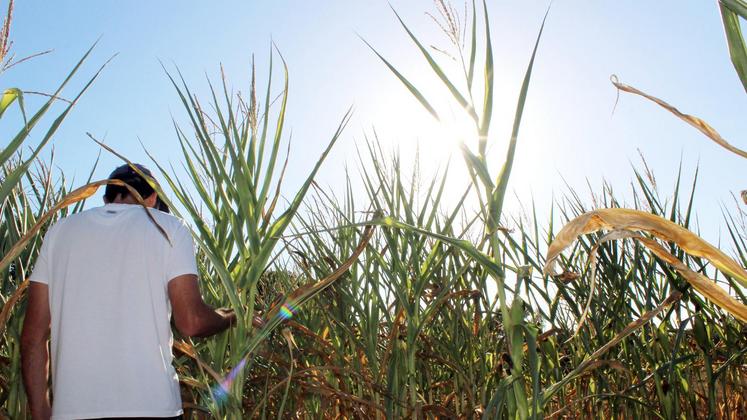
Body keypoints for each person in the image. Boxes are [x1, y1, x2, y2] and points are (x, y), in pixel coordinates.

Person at [21, 163, 236, 420]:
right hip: (152, 408)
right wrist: (231, 315)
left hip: (72, 412)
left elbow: (33, 338)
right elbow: (191, 321)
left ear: (106, 198)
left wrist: (40, 411)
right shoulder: (170, 228)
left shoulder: (59, 233)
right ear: (153, 198)